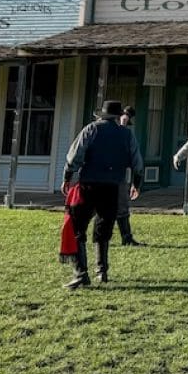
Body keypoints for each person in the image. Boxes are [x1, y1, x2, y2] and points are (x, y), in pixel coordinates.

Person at [60, 100, 144, 290]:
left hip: (89, 184)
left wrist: (67, 176)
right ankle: (102, 271)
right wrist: (136, 183)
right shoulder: (126, 134)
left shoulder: (91, 129)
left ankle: (81, 273)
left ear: (101, 115)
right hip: (112, 186)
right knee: (103, 229)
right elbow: (137, 162)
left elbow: (75, 156)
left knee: (77, 228)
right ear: (117, 116)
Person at [115, 106, 143, 246]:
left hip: (116, 174)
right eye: (123, 117)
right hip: (109, 175)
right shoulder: (96, 129)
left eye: (127, 118)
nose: (125, 120)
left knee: (121, 208)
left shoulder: (127, 135)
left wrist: (135, 183)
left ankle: (126, 237)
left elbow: (136, 161)